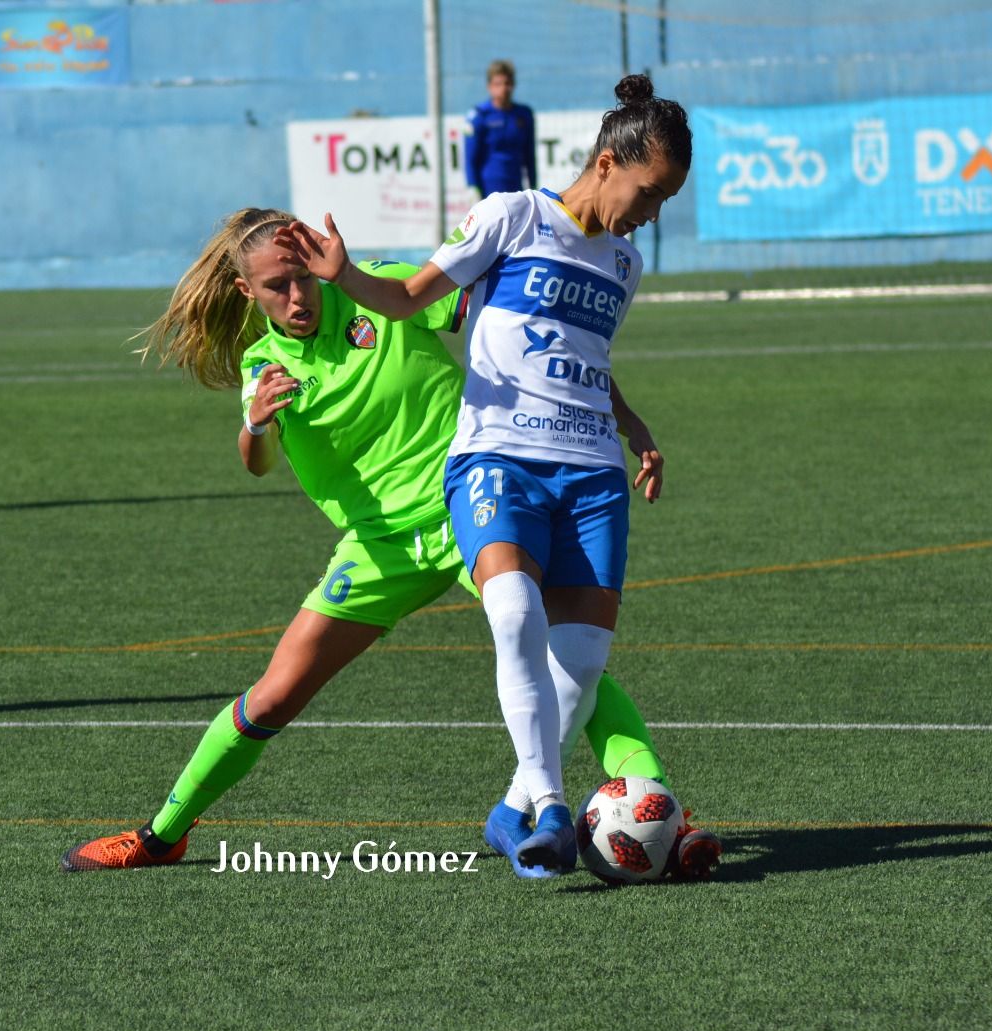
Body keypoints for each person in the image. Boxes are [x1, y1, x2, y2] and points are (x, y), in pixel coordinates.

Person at [59, 207, 718, 879]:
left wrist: (627, 420)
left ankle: (669, 818)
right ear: (244, 294)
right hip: (379, 545)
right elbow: (256, 462)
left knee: (570, 664)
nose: (297, 296)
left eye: (301, 277)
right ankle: (163, 833)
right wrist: (255, 424)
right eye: (276, 287)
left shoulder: (377, 287)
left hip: (470, 505)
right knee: (275, 695)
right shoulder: (264, 364)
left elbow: (533, 338)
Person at [275, 73, 693, 875]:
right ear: (609, 161)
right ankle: (550, 802)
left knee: (581, 664)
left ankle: (510, 812)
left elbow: (586, 359)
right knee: (509, 609)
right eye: (650, 190)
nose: (653, 211)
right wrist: (345, 276)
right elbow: (407, 297)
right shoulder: (513, 216)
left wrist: (634, 426)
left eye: (666, 197)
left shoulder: (626, 263)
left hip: (593, 474)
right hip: (498, 455)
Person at [464, 59, 537, 198]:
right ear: (489, 86)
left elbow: (529, 156)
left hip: (516, 189)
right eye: (498, 84)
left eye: (507, 83)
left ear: (513, 85)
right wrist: (472, 187)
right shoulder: (478, 116)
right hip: (488, 191)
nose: (503, 88)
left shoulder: (524, 115)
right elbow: (470, 159)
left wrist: (533, 185)